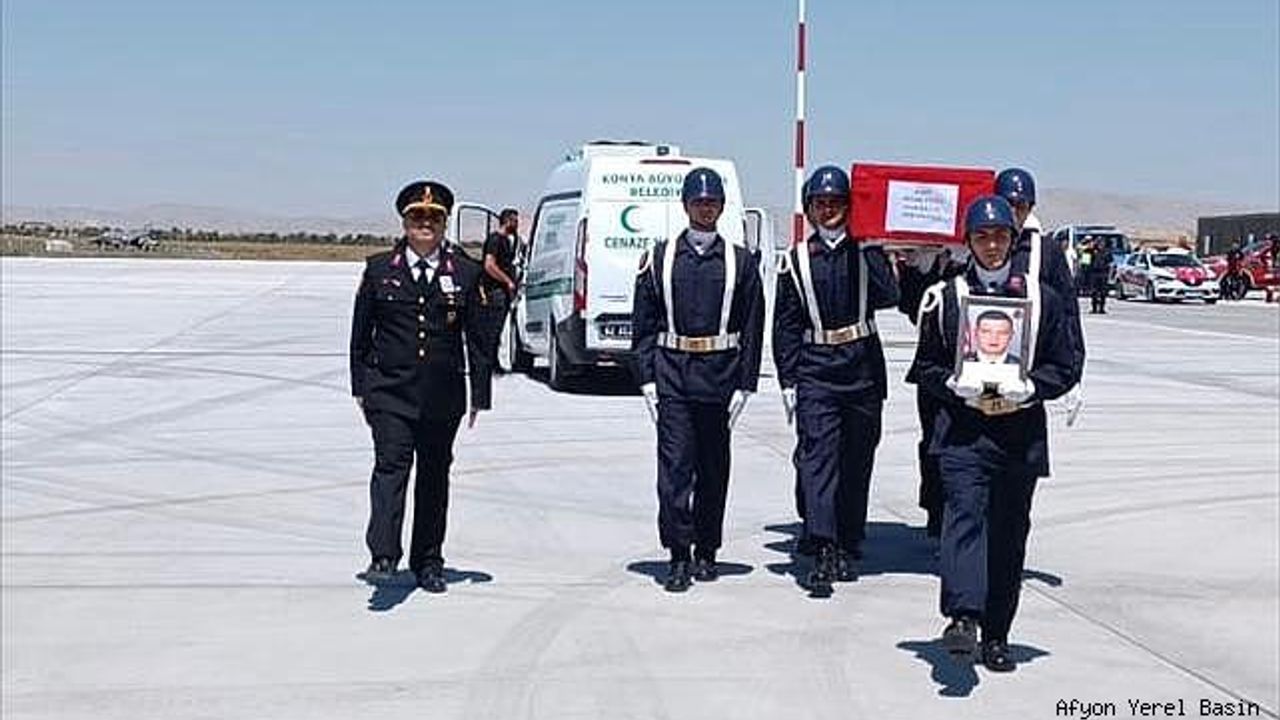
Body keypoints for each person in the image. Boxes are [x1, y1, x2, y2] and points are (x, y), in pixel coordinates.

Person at [909, 195, 1075, 672]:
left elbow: (1065, 365)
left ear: (1013, 239)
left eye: (1001, 235)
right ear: (968, 242)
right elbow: (924, 367)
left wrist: (1033, 388)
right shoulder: (945, 298)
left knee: (1008, 534)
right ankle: (963, 617)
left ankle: (997, 633)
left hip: (1018, 435)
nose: (992, 245)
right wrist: (950, 384)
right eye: (982, 237)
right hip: (963, 433)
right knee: (963, 516)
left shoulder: (1044, 299)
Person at [350, 179, 494, 593]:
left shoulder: (465, 273)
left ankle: (428, 560)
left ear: (445, 224)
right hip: (390, 393)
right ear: (404, 222)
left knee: (434, 477)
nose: (425, 224)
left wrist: (479, 394)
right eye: (417, 216)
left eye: (433, 218)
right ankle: (383, 554)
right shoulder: (380, 270)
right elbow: (360, 336)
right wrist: (361, 387)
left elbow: (478, 340)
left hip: (441, 396)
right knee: (390, 468)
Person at [631, 167, 765, 593]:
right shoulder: (659, 258)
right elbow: (644, 323)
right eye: (698, 202)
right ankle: (678, 553)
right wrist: (646, 378)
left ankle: (707, 549)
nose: (705, 209)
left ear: (721, 207)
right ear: (685, 205)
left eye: (712, 202)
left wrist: (746, 383)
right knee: (674, 470)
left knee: (712, 468)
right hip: (673, 375)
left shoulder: (741, 261)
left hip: (720, 376)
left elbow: (753, 323)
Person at [773, 165, 900, 594]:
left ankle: (849, 538)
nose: (828, 210)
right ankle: (823, 544)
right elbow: (785, 323)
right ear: (809, 208)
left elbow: (890, 295)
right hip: (817, 369)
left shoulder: (864, 250)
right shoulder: (795, 260)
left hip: (861, 366)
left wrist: (873, 246)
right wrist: (788, 379)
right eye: (820, 203)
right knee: (818, 458)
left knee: (857, 459)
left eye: (836, 203)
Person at [481, 209, 520, 371]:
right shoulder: (495, 240)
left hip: (503, 291)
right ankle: (489, 363)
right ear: (507, 221)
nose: (517, 224)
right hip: (495, 291)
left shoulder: (509, 240)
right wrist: (507, 280)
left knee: (498, 329)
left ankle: (493, 362)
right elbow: (489, 265)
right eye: (515, 221)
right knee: (492, 329)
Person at [1086, 237, 1113, 314]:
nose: (1101, 245)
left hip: (1103, 273)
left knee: (1103, 292)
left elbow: (1110, 262)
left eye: (1102, 243)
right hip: (1094, 273)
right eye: (1099, 243)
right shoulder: (1091, 251)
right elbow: (1086, 262)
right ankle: (1094, 308)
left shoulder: (1107, 252)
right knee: (1094, 291)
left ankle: (1101, 308)